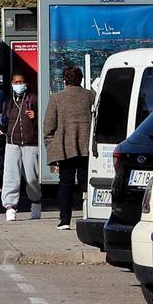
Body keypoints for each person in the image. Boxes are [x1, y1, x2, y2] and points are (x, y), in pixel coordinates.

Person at [44, 64, 94, 229]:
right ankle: (89, 215)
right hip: (86, 147)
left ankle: (65, 220)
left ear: (64, 80)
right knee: (85, 182)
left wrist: (51, 147)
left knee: (65, 183)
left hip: (65, 147)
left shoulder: (57, 98)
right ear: (81, 79)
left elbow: (49, 127)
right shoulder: (90, 96)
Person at [0, 73, 41, 221]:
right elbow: (4, 122)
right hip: (12, 143)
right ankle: (10, 207)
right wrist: (1, 129)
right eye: (16, 82)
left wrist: (35, 116)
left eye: (22, 82)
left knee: (32, 176)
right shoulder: (8, 102)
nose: (19, 84)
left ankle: (36, 202)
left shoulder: (33, 99)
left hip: (30, 143)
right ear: (12, 83)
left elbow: (43, 120)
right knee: (11, 175)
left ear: (26, 83)